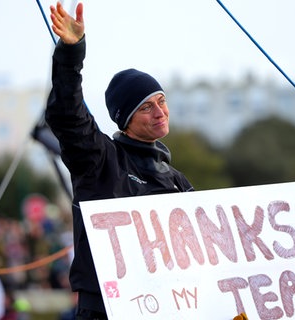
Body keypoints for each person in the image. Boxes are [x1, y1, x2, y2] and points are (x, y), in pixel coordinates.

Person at [46, 2, 194, 319]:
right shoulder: (100, 159)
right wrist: (71, 55)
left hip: (169, 305)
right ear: (124, 119)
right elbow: (68, 117)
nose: (160, 112)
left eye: (162, 101)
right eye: (146, 107)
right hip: (107, 308)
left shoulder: (178, 181)